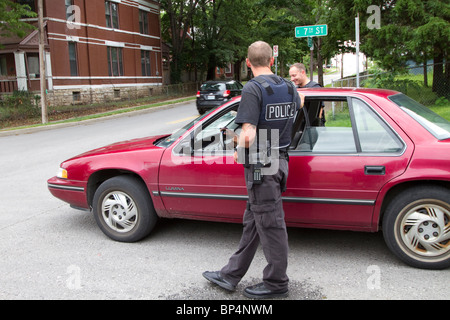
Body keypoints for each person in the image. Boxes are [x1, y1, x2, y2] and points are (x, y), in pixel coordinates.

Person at [203, 41, 304, 299]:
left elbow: (248, 135)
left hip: (262, 163)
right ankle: (230, 274)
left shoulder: (253, 88)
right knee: (255, 220)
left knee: (271, 224)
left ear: (248, 63)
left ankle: (276, 283)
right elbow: (301, 104)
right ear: (271, 61)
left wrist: (235, 143)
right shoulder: (290, 86)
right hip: (280, 159)